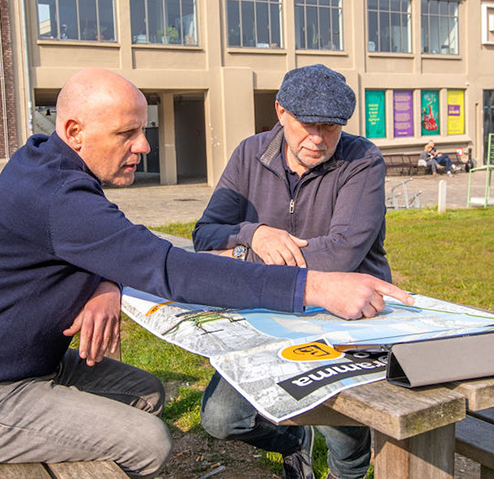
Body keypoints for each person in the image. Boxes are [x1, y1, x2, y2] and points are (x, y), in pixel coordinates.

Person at [0, 68, 411, 477]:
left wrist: (106, 281)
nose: (144, 146)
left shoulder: (47, 166)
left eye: (143, 130)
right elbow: (168, 264)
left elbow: (120, 244)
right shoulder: (60, 197)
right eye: (126, 134)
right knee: (150, 441)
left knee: (147, 392)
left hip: (30, 366)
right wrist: (314, 284)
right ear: (74, 132)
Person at [192, 64, 389, 479]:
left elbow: (340, 256)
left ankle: (346, 472)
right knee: (221, 419)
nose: (317, 139)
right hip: (264, 311)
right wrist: (255, 232)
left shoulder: (363, 159)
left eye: (330, 127)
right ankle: (295, 441)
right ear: (280, 111)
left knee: (345, 438)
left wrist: (241, 257)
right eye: (306, 124)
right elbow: (206, 235)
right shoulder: (250, 152)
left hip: (345, 314)